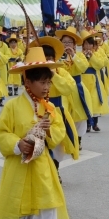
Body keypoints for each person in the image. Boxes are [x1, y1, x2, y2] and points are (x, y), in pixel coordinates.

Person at [0, 47, 69, 219]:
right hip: (19, 165)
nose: (46, 87)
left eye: (48, 82)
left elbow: (60, 132)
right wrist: (18, 144)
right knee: (13, 204)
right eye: (42, 82)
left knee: (46, 206)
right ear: (28, 82)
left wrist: (49, 130)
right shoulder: (13, 106)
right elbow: (2, 132)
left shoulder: (51, 108)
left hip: (42, 165)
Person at [31, 36, 80, 183]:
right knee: (39, 142)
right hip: (37, 111)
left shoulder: (61, 71)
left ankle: (55, 170)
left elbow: (68, 88)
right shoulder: (33, 73)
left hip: (57, 112)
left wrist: (53, 74)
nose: (47, 60)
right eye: (44, 58)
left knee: (58, 144)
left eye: (50, 58)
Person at [57, 27, 92, 148]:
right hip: (63, 89)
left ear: (74, 44)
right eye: (64, 42)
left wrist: (73, 55)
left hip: (77, 89)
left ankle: (78, 139)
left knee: (79, 116)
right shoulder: (57, 56)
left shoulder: (80, 56)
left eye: (69, 42)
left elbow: (83, 68)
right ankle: (66, 139)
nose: (66, 44)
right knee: (64, 115)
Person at [81, 31, 109, 132]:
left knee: (95, 101)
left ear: (93, 45)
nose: (88, 46)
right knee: (85, 101)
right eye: (86, 44)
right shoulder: (80, 55)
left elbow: (99, 65)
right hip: (83, 79)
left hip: (94, 79)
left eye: (90, 44)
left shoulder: (96, 54)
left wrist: (92, 56)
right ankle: (88, 124)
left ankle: (95, 124)